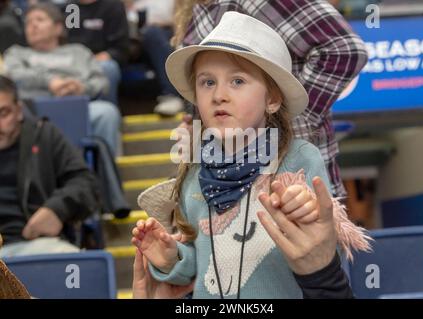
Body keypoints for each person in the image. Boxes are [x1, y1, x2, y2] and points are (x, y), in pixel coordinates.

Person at [131, 12, 371, 298]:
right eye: (207, 82)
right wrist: (172, 257)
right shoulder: (193, 173)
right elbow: (200, 263)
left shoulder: (299, 157)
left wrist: (304, 207)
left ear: (272, 99)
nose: (219, 95)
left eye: (237, 81)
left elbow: (322, 238)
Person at [172, 0, 369, 198]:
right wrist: (200, 131)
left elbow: (344, 49)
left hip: (296, 184)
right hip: (226, 189)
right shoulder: (194, 12)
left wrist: (287, 125)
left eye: (238, 81)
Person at [3, 2, 122, 156]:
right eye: (28, 23)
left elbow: (102, 82)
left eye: (39, 20)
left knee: (107, 112)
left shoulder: (79, 52)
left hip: (77, 106)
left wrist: (81, 87)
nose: (32, 26)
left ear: (58, 27)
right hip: (33, 110)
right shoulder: (16, 53)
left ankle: (105, 173)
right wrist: (50, 82)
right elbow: (14, 75)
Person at [0, 75, 99, 258]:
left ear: (19, 110)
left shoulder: (44, 135)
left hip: (37, 244)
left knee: (74, 270)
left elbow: (86, 183)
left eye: (3, 113)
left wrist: (57, 208)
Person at [126, 0, 184, 116]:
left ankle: (171, 95)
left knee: (153, 34)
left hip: (163, 35)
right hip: (128, 40)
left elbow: (182, 17)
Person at [66, 0, 129, 105]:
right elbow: (65, 43)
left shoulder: (113, 6)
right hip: (71, 61)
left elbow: (120, 49)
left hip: (100, 60)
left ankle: (107, 112)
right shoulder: (69, 8)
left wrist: (92, 61)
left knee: (108, 68)